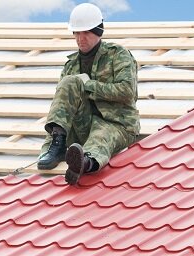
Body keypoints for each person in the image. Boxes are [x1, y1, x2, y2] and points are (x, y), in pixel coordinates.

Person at [37, 2, 140, 185]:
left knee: (101, 137)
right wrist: (49, 147)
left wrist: (89, 85)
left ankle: (85, 163)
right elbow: (62, 109)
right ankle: (59, 146)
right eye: (77, 33)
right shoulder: (71, 65)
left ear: (98, 31)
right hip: (83, 125)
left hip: (116, 123)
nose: (80, 38)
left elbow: (127, 92)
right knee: (69, 82)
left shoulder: (118, 55)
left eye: (86, 33)